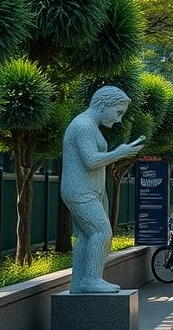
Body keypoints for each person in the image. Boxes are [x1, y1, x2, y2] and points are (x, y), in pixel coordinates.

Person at [61, 86, 144, 293]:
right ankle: (91, 279)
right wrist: (120, 152)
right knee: (101, 232)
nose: (118, 120)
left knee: (86, 236)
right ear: (104, 104)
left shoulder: (89, 125)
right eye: (118, 112)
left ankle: (79, 283)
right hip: (80, 191)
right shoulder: (83, 125)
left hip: (89, 190)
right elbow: (90, 161)